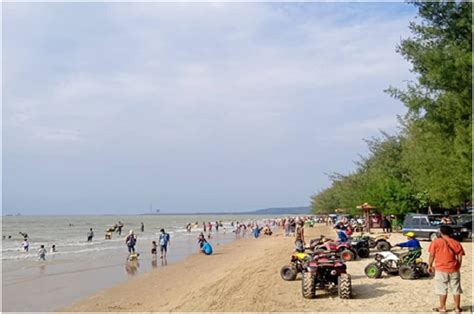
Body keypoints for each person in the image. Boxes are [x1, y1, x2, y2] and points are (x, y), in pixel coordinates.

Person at [428, 225, 465, 314]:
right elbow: (459, 257)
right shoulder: (456, 243)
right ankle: (457, 308)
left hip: (441, 269)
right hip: (454, 269)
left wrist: (430, 265)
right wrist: (458, 266)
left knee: (442, 289)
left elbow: (432, 255)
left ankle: (442, 308)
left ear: (440, 233)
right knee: (456, 289)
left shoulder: (436, 242)